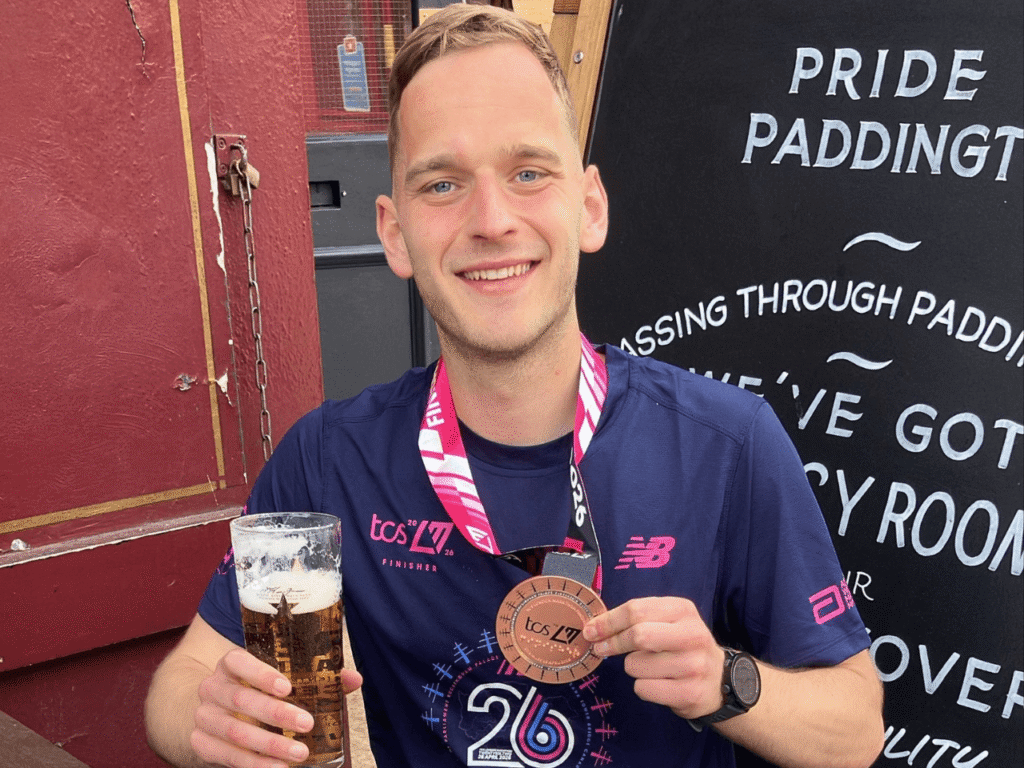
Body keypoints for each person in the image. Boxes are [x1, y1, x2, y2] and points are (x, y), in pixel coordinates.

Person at [146, 5, 884, 767]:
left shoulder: (727, 445)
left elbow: (856, 728)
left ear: (588, 206)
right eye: (442, 185)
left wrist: (727, 682)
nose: (491, 219)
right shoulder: (328, 460)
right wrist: (209, 723)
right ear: (394, 234)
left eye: (529, 172)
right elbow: (182, 684)